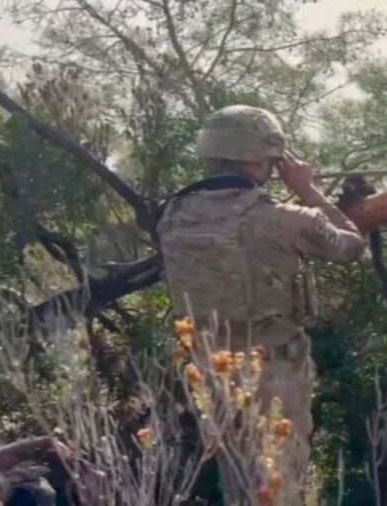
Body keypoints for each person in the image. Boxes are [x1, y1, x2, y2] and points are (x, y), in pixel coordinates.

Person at [156, 105, 365, 503]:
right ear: (259, 158)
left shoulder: (173, 214)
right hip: (274, 370)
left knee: (237, 478)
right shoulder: (285, 218)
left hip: (210, 368)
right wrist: (308, 189)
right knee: (278, 480)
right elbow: (351, 247)